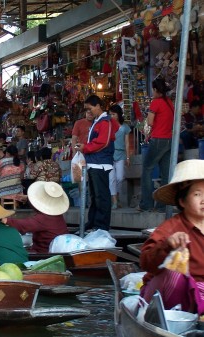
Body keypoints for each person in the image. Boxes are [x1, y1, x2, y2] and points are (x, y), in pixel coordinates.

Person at [140, 159, 204, 314]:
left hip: (200, 293)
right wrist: (167, 246)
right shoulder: (170, 227)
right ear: (182, 201)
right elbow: (145, 262)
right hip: (164, 295)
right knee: (175, 274)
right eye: (197, 194)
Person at [76, 95, 117, 231]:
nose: (89, 112)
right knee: (95, 196)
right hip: (94, 162)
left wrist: (85, 147)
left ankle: (101, 225)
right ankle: (93, 221)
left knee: (101, 196)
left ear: (98, 106)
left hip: (100, 162)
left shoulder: (105, 122)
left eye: (90, 108)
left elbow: (103, 142)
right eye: (87, 110)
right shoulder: (99, 121)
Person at [138, 78, 174, 212]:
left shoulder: (156, 102)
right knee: (165, 174)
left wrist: (147, 120)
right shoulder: (170, 102)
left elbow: (150, 122)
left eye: (152, 89)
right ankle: (162, 205)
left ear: (156, 90)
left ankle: (146, 204)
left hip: (158, 139)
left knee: (147, 169)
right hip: (169, 139)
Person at [2, 182, 69, 253]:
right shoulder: (57, 214)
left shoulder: (43, 218)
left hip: (45, 254)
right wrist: (27, 198)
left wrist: (5, 220)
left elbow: (23, 225)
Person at [109, 104, 131, 209]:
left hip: (121, 154)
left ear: (118, 114)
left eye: (113, 114)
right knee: (112, 178)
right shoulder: (108, 125)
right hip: (110, 154)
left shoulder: (124, 126)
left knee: (120, 177)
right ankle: (114, 201)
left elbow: (127, 143)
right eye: (110, 114)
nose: (111, 116)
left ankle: (116, 197)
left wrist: (128, 157)